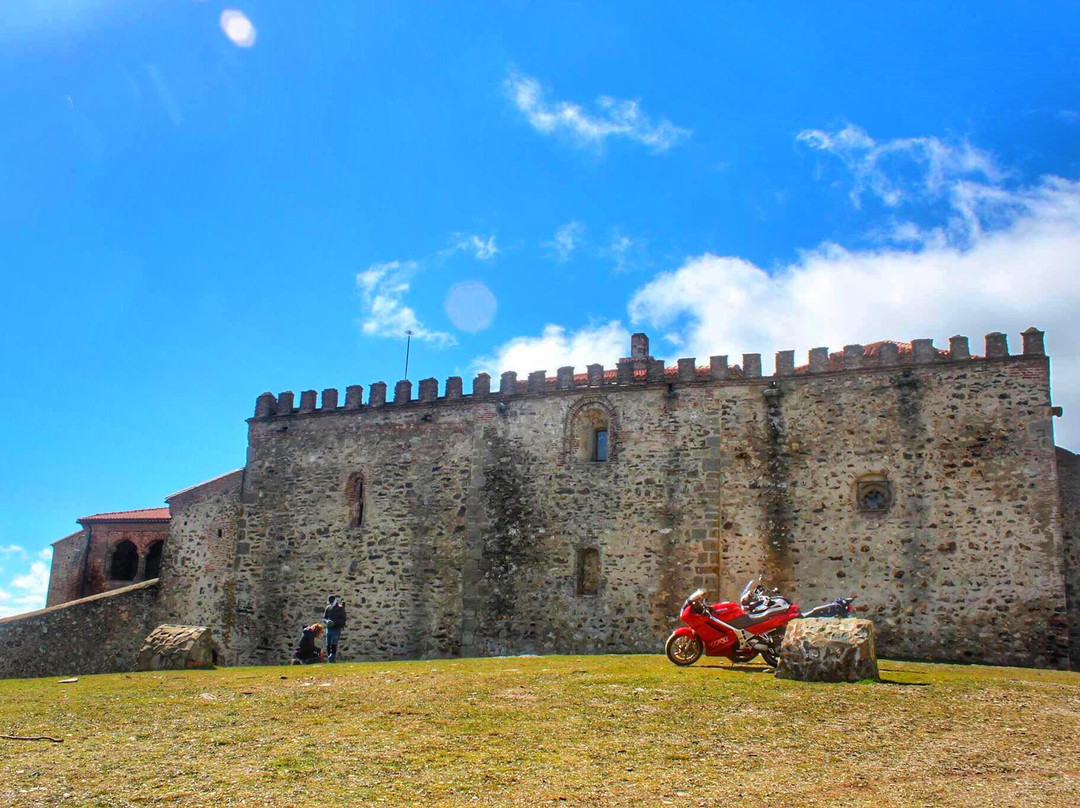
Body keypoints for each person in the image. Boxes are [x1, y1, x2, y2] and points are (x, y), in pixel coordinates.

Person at [323, 594, 347, 663]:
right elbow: (324, 618)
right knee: (328, 644)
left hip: (336, 628)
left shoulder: (340, 608)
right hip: (329, 628)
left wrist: (335, 622)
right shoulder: (328, 608)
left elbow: (343, 620)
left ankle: (332, 658)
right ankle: (329, 658)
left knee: (334, 643)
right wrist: (327, 621)